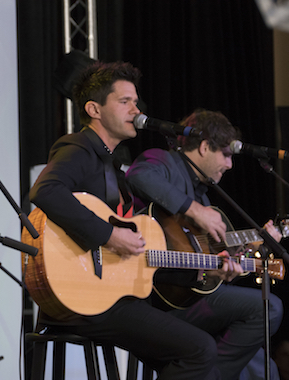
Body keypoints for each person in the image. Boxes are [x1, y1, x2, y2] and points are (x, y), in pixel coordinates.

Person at [30, 61, 224, 379]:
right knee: (200, 350)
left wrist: (207, 268)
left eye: (135, 101)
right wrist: (108, 235)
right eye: (125, 102)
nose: (136, 109)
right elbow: (45, 191)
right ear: (94, 109)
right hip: (85, 299)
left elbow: (141, 253)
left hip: (117, 294)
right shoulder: (77, 148)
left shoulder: (114, 163)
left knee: (205, 361)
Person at [125, 108, 284, 379]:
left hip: (185, 295)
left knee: (263, 367)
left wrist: (221, 271)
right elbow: (138, 176)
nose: (230, 164)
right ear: (204, 147)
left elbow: (201, 269)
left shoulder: (204, 200)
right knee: (267, 308)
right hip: (153, 299)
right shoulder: (162, 161)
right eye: (225, 154)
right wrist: (194, 209)